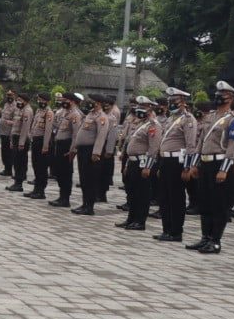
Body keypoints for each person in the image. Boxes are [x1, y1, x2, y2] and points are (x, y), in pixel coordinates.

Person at [185, 81, 234, 254]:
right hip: (205, 163)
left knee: (219, 204)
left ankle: (215, 240)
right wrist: (195, 164)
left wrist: (224, 170)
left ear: (230, 98)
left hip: (220, 164)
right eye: (217, 94)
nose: (218, 97)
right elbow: (201, 142)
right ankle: (205, 238)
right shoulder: (210, 117)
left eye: (222, 95)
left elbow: (233, 147)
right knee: (205, 202)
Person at [152, 88, 198, 243]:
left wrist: (187, 167)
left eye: (175, 101)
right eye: (170, 101)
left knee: (176, 198)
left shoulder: (188, 119)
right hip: (165, 161)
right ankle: (167, 230)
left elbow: (191, 145)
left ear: (183, 102)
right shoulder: (171, 118)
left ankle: (176, 232)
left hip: (177, 162)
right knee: (164, 197)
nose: (171, 103)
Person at [116, 101, 161, 230]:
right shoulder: (140, 124)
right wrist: (127, 165)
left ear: (150, 110)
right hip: (132, 162)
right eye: (139, 108)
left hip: (143, 163)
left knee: (142, 194)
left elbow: (153, 148)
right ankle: (131, 218)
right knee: (132, 192)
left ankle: (140, 221)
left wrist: (148, 166)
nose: (139, 111)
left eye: (143, 108)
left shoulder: (153, 125)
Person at [68, 94, 111, 216]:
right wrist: (76, 147)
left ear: (98, 103)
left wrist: (96, 152)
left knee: (90, 179)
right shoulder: (90, 114)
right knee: (84, 178)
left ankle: (89, 207)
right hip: (83, 150)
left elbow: (101, 136)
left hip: (91, 152)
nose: (89, 102)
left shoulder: (102, 117)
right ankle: (84, 203)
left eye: (92, 101)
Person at [49, 93, 83, 208]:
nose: (63, 102)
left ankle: (65, 198)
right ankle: (61, 196)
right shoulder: (65, 113)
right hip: (59, 144)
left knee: (65, 172)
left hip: (67, 145)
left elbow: (75, 134)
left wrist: (73, 149)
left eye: (66, 100)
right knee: (59, 171)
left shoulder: (75, 115)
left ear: (72, 101)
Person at [23, 92, 54, 199]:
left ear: (47, 101)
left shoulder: (49, 113)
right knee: (36, 166)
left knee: (42, 167)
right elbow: (34, 125)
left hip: (42, 142)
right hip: (35, 141)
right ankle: (36, 189)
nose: (40, 102)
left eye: (42, 100)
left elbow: (48, 131)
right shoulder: (39, 111)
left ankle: (41, 191)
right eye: (39, 100)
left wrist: (45, 146)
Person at [7, 91, 32, 192]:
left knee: (20, 162)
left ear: (25, 101)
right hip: (16, 137)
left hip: (22, 139)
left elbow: (25, 129)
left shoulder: (27, 111)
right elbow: (15, 126)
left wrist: (21, 142)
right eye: (17, 100)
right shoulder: (19, 110)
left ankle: (19, 184)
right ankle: (17, 182)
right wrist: (12, 140)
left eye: (20, 100)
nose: (18, 102)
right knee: (16, 162)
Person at [0, 88, 17, 176]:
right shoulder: (6, 105)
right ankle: (6, 168)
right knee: (4, 151)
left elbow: (16, 121)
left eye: (11, 95)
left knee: (9, 152)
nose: (9, 97)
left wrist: (10, 122)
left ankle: (9, 169)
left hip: (10, 132)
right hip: (3, 132)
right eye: (8, 95)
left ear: (14, 96)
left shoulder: (16, 106)